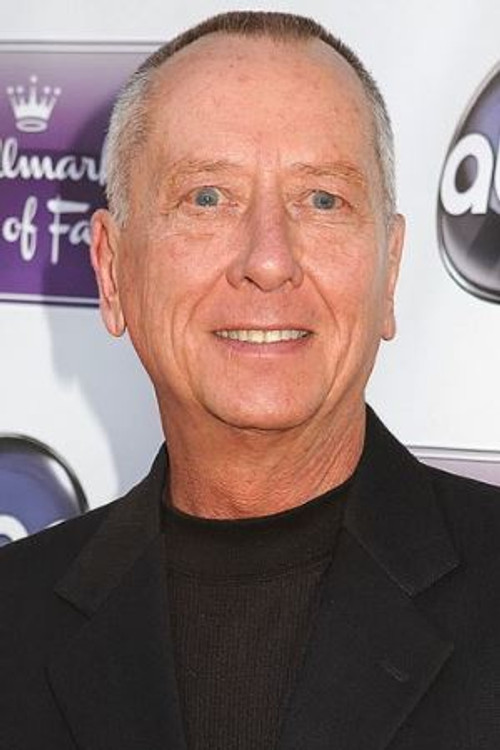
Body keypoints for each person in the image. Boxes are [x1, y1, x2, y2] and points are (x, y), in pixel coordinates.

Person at [1, 11, 500, 750]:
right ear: (111, 272)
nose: (269, 260)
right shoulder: (12, 618)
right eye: (207, 197)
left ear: (389, 272)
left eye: (322, 200)